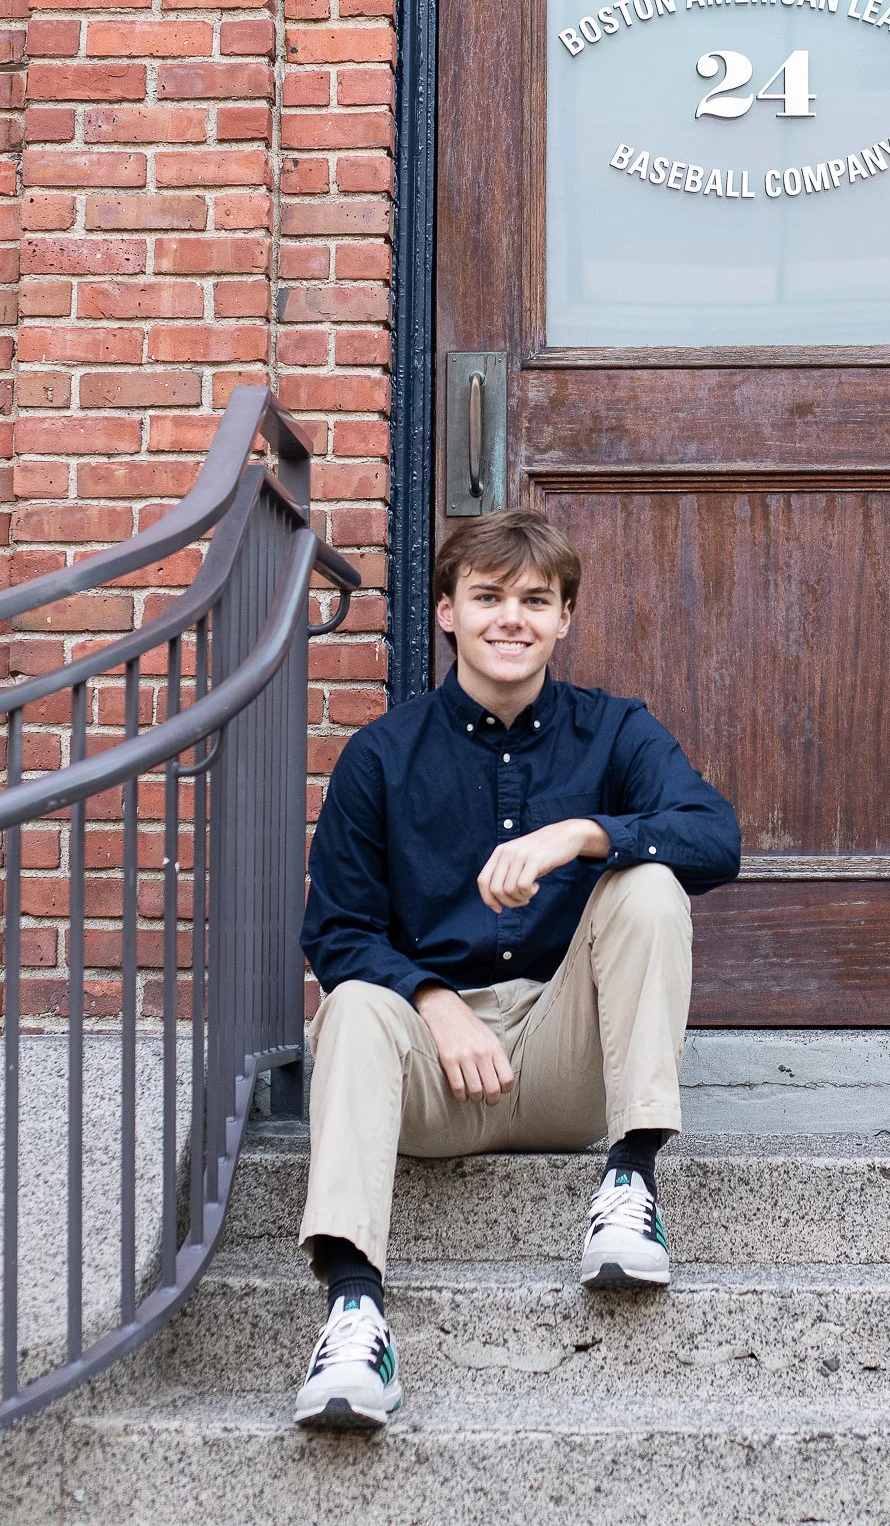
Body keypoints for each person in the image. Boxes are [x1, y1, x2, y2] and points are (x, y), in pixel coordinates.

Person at [290, 509, 741, 1431]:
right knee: (350, 1009)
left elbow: (716, 838)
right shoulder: (381, 757)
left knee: (649, 881)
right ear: (449, 614)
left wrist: (584, 834)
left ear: (564, 618)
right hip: (431, 1077)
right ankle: (353, 1314)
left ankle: (630, 1181)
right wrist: (433, 1000)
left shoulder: (614, 732)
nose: (512, 619)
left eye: (536, 600)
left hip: (564, 1068)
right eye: (488, 597)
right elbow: (335, 931)